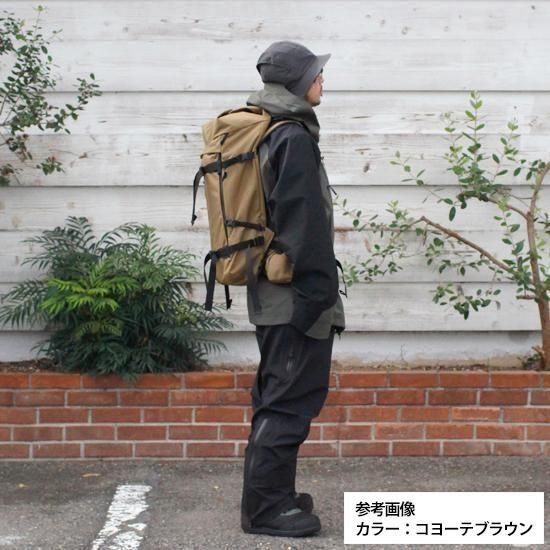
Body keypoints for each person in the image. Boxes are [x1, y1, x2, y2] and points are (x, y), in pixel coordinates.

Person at [240, 41, 346, 538]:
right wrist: (318, 299)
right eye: (316, 74)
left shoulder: (267, 129)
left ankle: (273, 496)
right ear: (299, 82)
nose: (322, 80)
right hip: (295, 298)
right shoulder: (292, 136)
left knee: (276, 398)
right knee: (288, 403)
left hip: (272, 292)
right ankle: (266, 510)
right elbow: (304, 225)